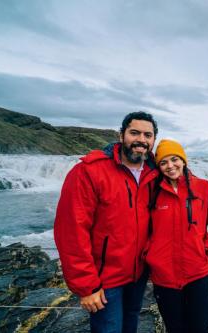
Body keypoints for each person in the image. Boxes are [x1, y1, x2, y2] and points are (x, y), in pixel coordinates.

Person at [54, 111, 159, 333]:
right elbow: (71, 230)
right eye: (134, 133)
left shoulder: (154, 171)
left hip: (138, 274)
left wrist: (207, 192)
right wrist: (86, 285)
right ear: (122, 136)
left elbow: (182, 179)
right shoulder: (89, 170)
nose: (141, 139)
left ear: (153, 141)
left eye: (147, 135)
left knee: (131, 326)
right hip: (105, 279)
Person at [146, 139, 208, 333]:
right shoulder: (151, 192)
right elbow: (141, 229)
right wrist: (150, 256)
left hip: (198, 271)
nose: (170, 166)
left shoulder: (204, 188)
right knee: (175, 327)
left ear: (183, 160)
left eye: (174, 159)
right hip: (164, 274)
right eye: (163, 162)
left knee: (200, 324)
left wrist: (204, 250)